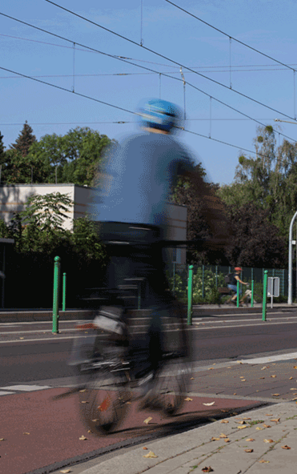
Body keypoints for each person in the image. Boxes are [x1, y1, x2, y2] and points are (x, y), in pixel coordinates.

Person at [90, 98, 226, 405]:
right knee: (156, 301)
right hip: (145, 230)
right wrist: (219, 231)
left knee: (119, 286)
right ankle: (146, 372)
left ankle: (108, 316)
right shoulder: (176, 149)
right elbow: (204, 195)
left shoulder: (123, 143)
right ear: (173, 124)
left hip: (108, 226)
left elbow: (102, 180)